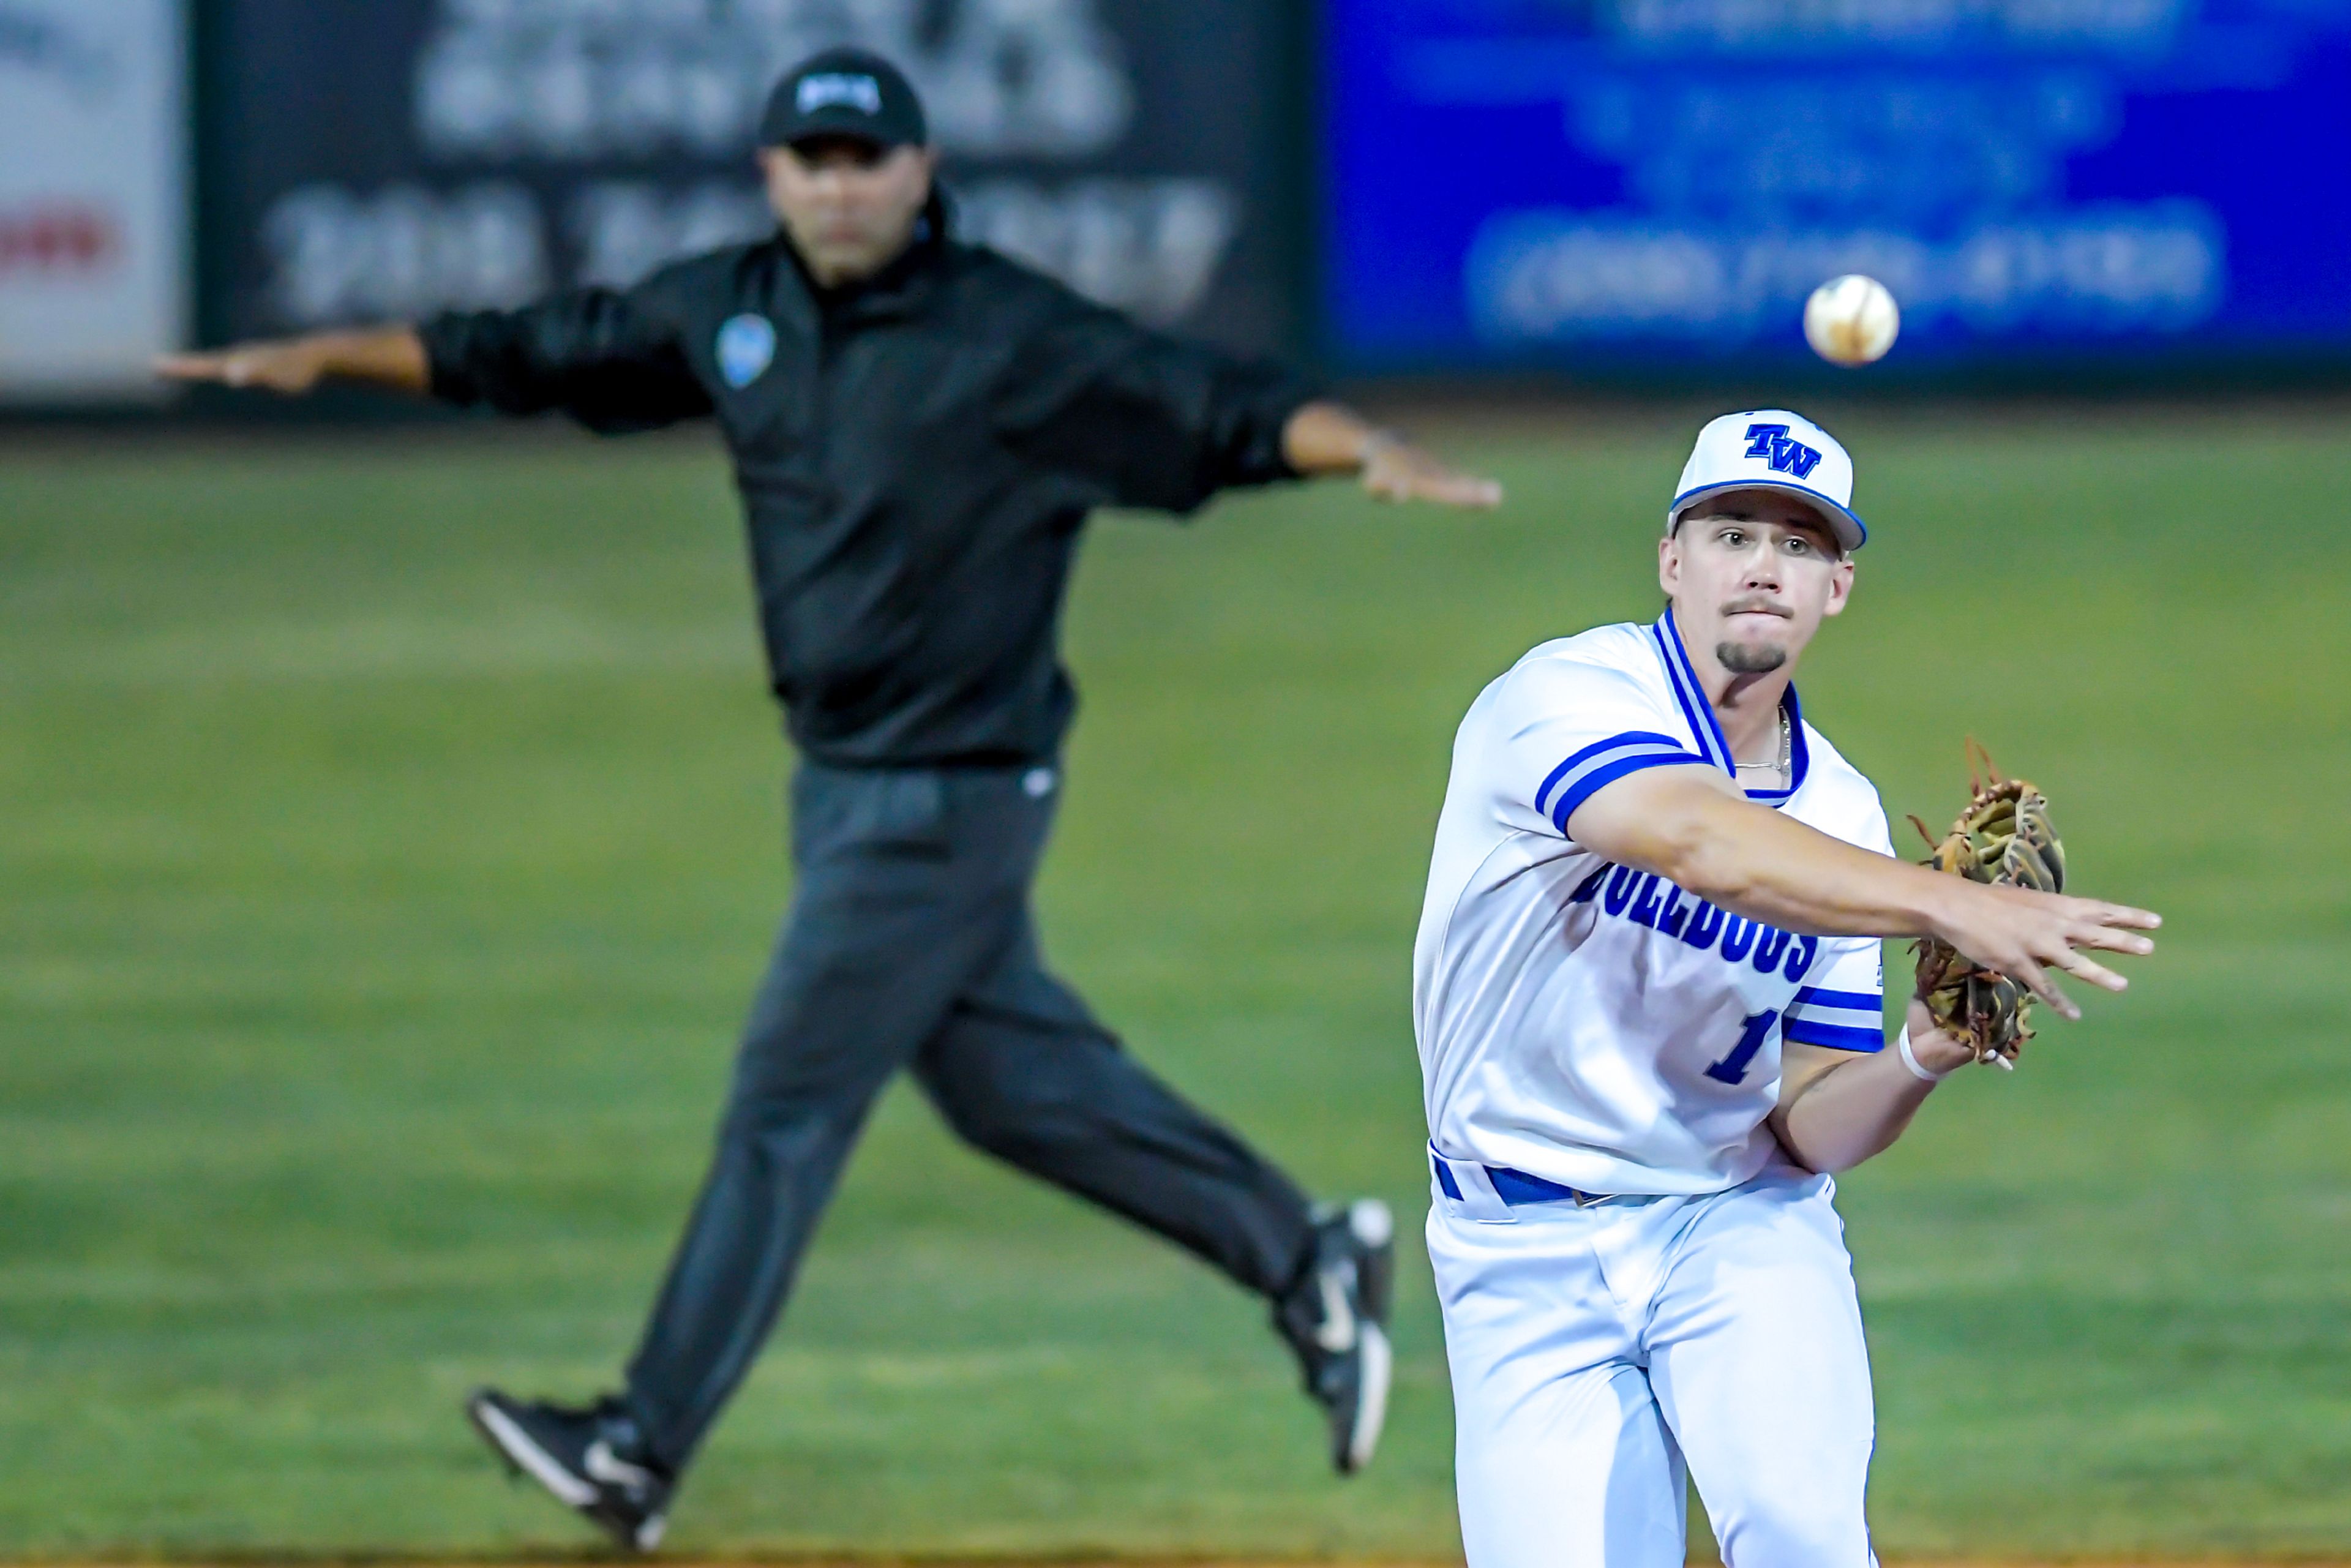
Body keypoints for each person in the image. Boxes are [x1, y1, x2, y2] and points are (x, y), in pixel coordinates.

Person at [161, 46, 1502, 1551]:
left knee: (783, 1114)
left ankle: (636, 1445)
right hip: (844, 789)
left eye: (868, 158)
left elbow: (1217, 407)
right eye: (813, 157)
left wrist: (1365, 447)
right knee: (1011, 1089)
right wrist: (319, 358)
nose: (840, 184)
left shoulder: (1010, 337)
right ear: (772, 172)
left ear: (922, 172)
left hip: (954, 797)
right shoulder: (730, 311)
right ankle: (1303, 1252)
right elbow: (523, 348)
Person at [1409, 409, 2158, 1567]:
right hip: (1515, 1249)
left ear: (1837, 588)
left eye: (1801, 546)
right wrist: (1943, 901)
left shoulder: (1843, 815)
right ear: (1673, 559)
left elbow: (1807, 1122)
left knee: (1805, 1539)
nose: (1765, 564)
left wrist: (1925, 1050)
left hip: (1735, 1223)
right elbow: (1696, 837)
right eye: (1733, 531)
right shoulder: (1563, 697)